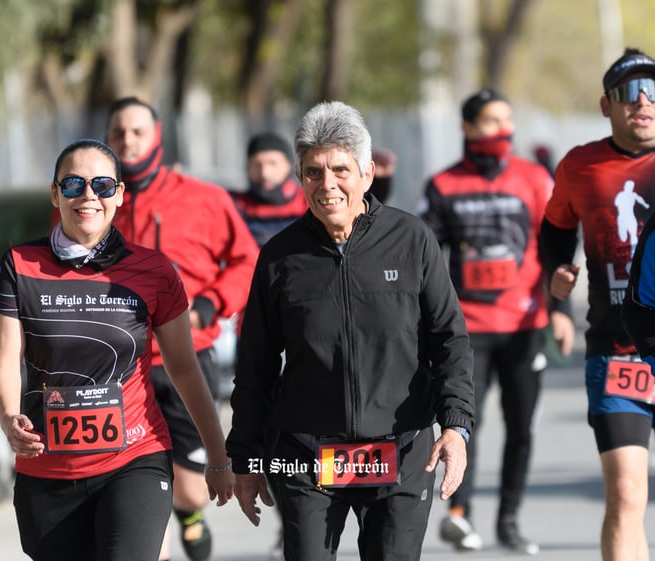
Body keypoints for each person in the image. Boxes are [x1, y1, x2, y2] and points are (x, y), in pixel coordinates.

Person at [226, 100, 475, 561]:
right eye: (313, 172)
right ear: (299, 179)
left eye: (340, 169)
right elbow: (256, 363)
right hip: (304, 456)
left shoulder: (412, 240)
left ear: (367, 172)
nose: (328, 185)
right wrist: (244, 457)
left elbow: (450, 340)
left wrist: (456, 426)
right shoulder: (280, 257)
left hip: (401, 449)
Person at [0, 138, 234, 561]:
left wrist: (217, 456)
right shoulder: (19, 265)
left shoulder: (154, 270)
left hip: (135, 459)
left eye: (102, 185)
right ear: (54, 193)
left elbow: (183, 367)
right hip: (48, 469)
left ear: (119, 195)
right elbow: (6, 359)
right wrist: (10, 416)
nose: (88, 196)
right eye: (73, 185)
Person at [419, 88, 574, 555]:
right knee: (464, 424)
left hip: (525, 326)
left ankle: (509, 520)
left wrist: (561, 313)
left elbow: (556, 249)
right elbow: (425, 258)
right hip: (466, 331)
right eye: (490, 121)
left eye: (507, 121)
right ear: (466, 128)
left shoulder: (534, 179)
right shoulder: (443, 185)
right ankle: (460, 515)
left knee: (521, 427)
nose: (501, 130)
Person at [104, 98, 259, 561]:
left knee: (191, 491)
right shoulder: (92, 202)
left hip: (186, 357)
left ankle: (190, 513)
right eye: (118, 133)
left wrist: (211, 305)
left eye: (136, 132)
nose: (127, 141)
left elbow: (247, 260)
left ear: (157, 136)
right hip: (118, 363)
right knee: (131, 474)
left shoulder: (205, 199)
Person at [540, 47, 655, 561]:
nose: (644, 102)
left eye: (654, 91)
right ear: (607, 105)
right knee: (628, 493)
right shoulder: (580, 165)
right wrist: (556, 279)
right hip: (618, 351)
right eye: (630, 93)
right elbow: (554, 230)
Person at [231, 131, 309, 247]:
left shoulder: (310, 202)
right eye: (257, 165)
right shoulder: (233, 206)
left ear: (289, 165)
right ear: (247, 167)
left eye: (273, 163)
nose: (265, 173)